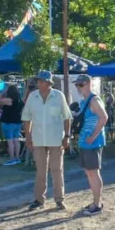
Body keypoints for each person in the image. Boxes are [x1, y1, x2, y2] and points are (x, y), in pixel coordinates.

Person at [22, 71, 73, 211]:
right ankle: (39, 200)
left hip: (56, 139)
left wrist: (67, 136)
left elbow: (67, 117)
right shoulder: (32, 96)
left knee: (57, 169)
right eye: (38, 81)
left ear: (49, 83)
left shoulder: (58, 96)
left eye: (41, 81)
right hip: (38, 139)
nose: (39, 83)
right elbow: (27, 118)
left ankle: (59, 199)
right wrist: (28, 137)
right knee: (40, 171)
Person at [76, 74, 108, 216]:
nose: (78, 87)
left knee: (94, 173)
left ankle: (97, 204)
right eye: (77, 85)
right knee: (89, 172)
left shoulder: (94, 99)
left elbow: (104, 117)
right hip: (86, 142)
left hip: (93, 143)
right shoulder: (85, 101)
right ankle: (96, 202)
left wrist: (93, 136)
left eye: (81, 84)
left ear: (89, 84)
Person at [0, 84, 24, 166]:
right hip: (17, 122)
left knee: (10, 141)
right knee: (16, 140)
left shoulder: (9, 100)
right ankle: (17, 158)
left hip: (8, 122)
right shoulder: (20, 100)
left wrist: (3, 92)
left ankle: (12, 158)